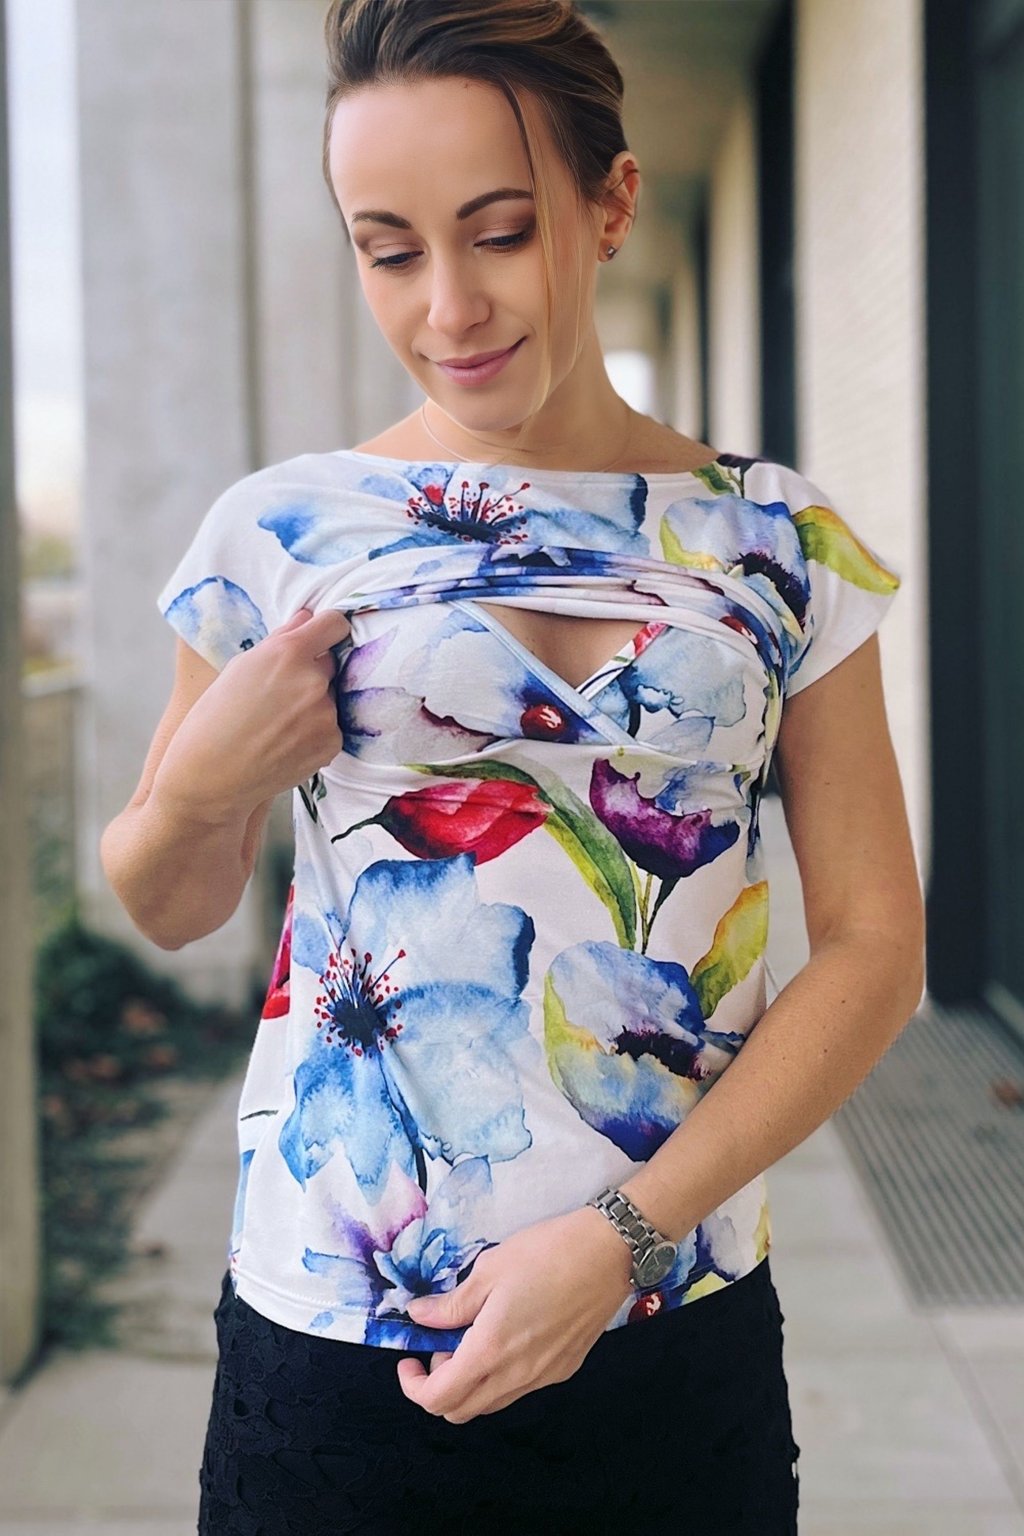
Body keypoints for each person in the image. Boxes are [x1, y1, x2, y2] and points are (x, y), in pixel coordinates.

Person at [101, 1, 926, 1531]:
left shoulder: (779, 541)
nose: (449, 306)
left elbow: (877, 948)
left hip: (670, 1323)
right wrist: (208, 784)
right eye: (389, 250)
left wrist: (622, 1237)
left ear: (611, 205)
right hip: (343, 1337)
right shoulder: (282, 531)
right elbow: (165, 900)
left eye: (499, 231)